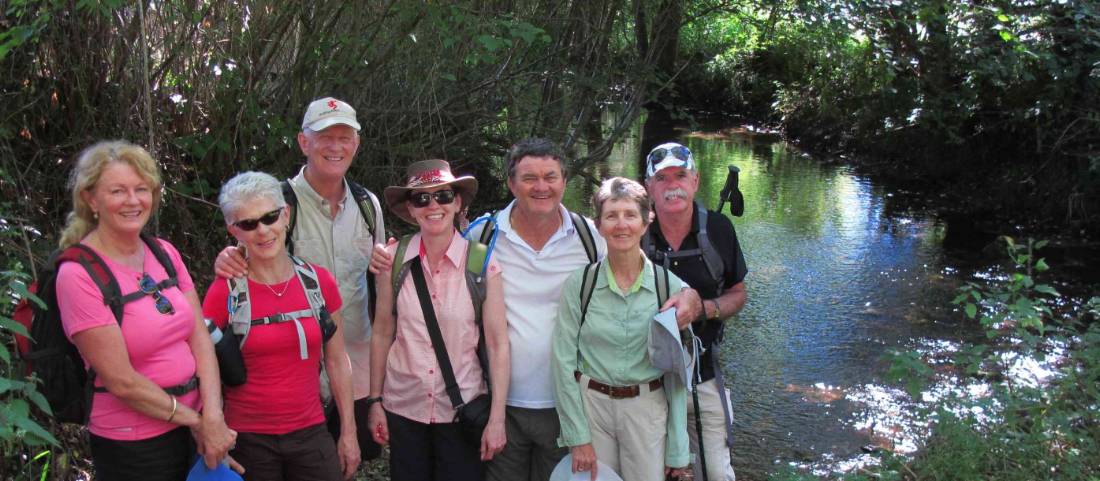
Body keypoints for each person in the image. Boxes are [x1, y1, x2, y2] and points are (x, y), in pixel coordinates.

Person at [370, 138, 702, 481]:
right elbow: (437, 254)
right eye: (529, 178)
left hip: (570, 406)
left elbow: (638, 274)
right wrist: (389, 255)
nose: (541, 186)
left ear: (564, 182)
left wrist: (690, 295)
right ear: (512, 184)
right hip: (501, 404)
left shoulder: (591, 236)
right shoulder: (484, 235)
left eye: (551, 176)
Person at [215, 97, 384, 465]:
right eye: (325, 137)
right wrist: (227, 257)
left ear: (357, 144)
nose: (336, 147)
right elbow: (248, 250)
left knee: (346, 460)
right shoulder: (275, 205)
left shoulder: (368, 206)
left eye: (345, 137)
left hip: (352, 369)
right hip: (294, 380)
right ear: (304, 142)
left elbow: (377, 284)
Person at [55, 140, 236, 480]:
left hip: (193, 426)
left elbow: (199, 336)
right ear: (91, 199)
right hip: (134, 445)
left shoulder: (163, 252)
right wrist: (198, 422)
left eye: (142, 189)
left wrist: (212, 414)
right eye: (118, 191)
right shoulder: (78, 275)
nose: (133, 200)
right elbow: (122, 382)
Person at [203, 171, 359, 480]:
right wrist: (210, 429)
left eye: (270, 217)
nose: (262, 231)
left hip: (311, 432)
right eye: (248, 223)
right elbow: (203, 366)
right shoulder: (225, 291)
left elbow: (338, 360)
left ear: (286, 215)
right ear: (233, 229)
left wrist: (348, 432)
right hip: (247, 440)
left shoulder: (318, 283)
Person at [366, 159, 510, 481]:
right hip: (404, 408)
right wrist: (375, 400)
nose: (434, 205)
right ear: (411, 208)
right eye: (422, 198)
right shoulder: (394, 259)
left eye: (443, 196)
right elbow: (381, 331)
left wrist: (497, 418)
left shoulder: (481, 260)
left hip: (462, 410)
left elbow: (498, 344)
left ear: (458, 202)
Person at [552, 177, 691, 481]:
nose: (621, 224)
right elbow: (563, 362)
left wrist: (678, 447)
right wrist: (577, 436)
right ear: (599, 225)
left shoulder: (670, 287)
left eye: (630, 214)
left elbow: (677, 374)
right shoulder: (580, 285)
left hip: (647, 411)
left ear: (645, 222)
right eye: (611, 215)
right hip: (592, 410)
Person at [643, 142, 748, 481]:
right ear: (648, 186)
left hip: (704, 375)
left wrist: (703, 308)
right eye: (661, 178)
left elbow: (738, 293)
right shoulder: (633, 231)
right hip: (646, 379)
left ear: (695, 181)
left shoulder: (717, 229)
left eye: (680, 175)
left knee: (716, 473)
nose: (672, 185)